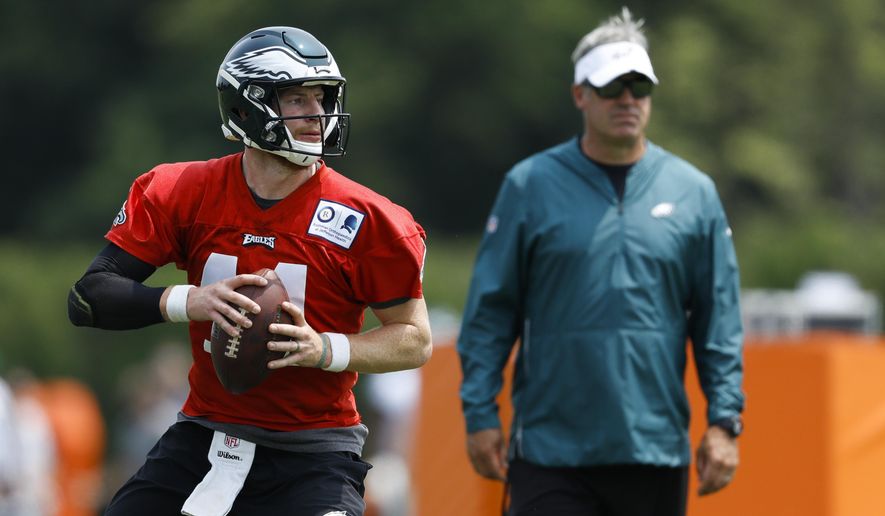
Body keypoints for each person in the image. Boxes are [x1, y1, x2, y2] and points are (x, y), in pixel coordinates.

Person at [68, 26, 432, 516]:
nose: (317, 114)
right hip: (203, 435)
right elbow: (90, 297)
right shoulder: (182, 191)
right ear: (246, 107)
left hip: (315, 453)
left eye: (322, 98)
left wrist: (325, 348)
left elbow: (414, 338)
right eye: (297, 99)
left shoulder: (370, 219)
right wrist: (187, 300)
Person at [456, 8, 744, 516]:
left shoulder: (694, 193)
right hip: (549, 449)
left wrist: (724, 422)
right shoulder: (529, 185)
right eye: (612, 86)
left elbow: (718, 320)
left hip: (653, 448)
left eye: (639, 86)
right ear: (580, 95)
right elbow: (490, 313)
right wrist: (479, 413)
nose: (628, 99)